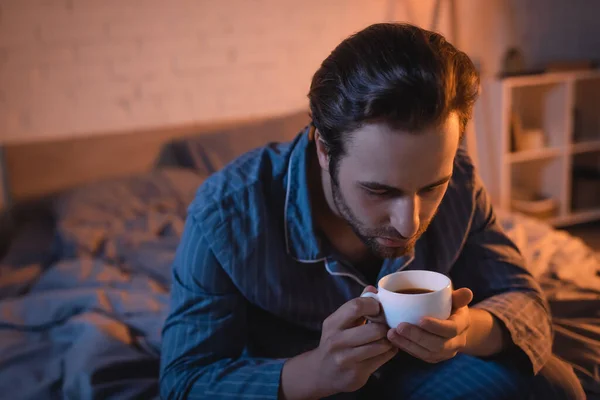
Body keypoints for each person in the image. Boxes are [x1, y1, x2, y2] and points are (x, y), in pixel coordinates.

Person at [159, 23, 585, 399]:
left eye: (431, 186)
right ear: (324, 150)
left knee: (554, 386)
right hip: (297, 381)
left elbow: (528, 304)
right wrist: (318, 372)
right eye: (379, 190)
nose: (410, 223)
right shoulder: (225, 215)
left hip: (420, 372)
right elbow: (184, 382)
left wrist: (466, 332)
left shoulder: (460, 184)